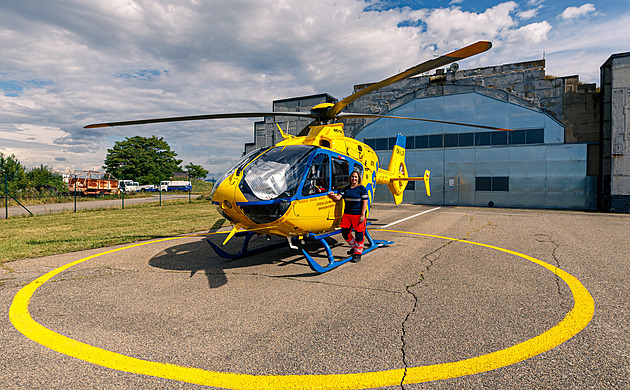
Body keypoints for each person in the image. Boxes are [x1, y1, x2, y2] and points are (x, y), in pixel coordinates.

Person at [328, 170, 368, 262]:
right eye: (352, 177)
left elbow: (364, 202)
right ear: (350, 178)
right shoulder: (346, 189)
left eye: (356, 177)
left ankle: (358, 254)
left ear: (358, 179)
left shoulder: (362, 189)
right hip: (347, 215)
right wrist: (333, 195)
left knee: (359, 235)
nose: (354, 179)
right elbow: (339, 198)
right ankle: (355, 248)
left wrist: (362, 215)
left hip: (358, 215)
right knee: (345, 233)